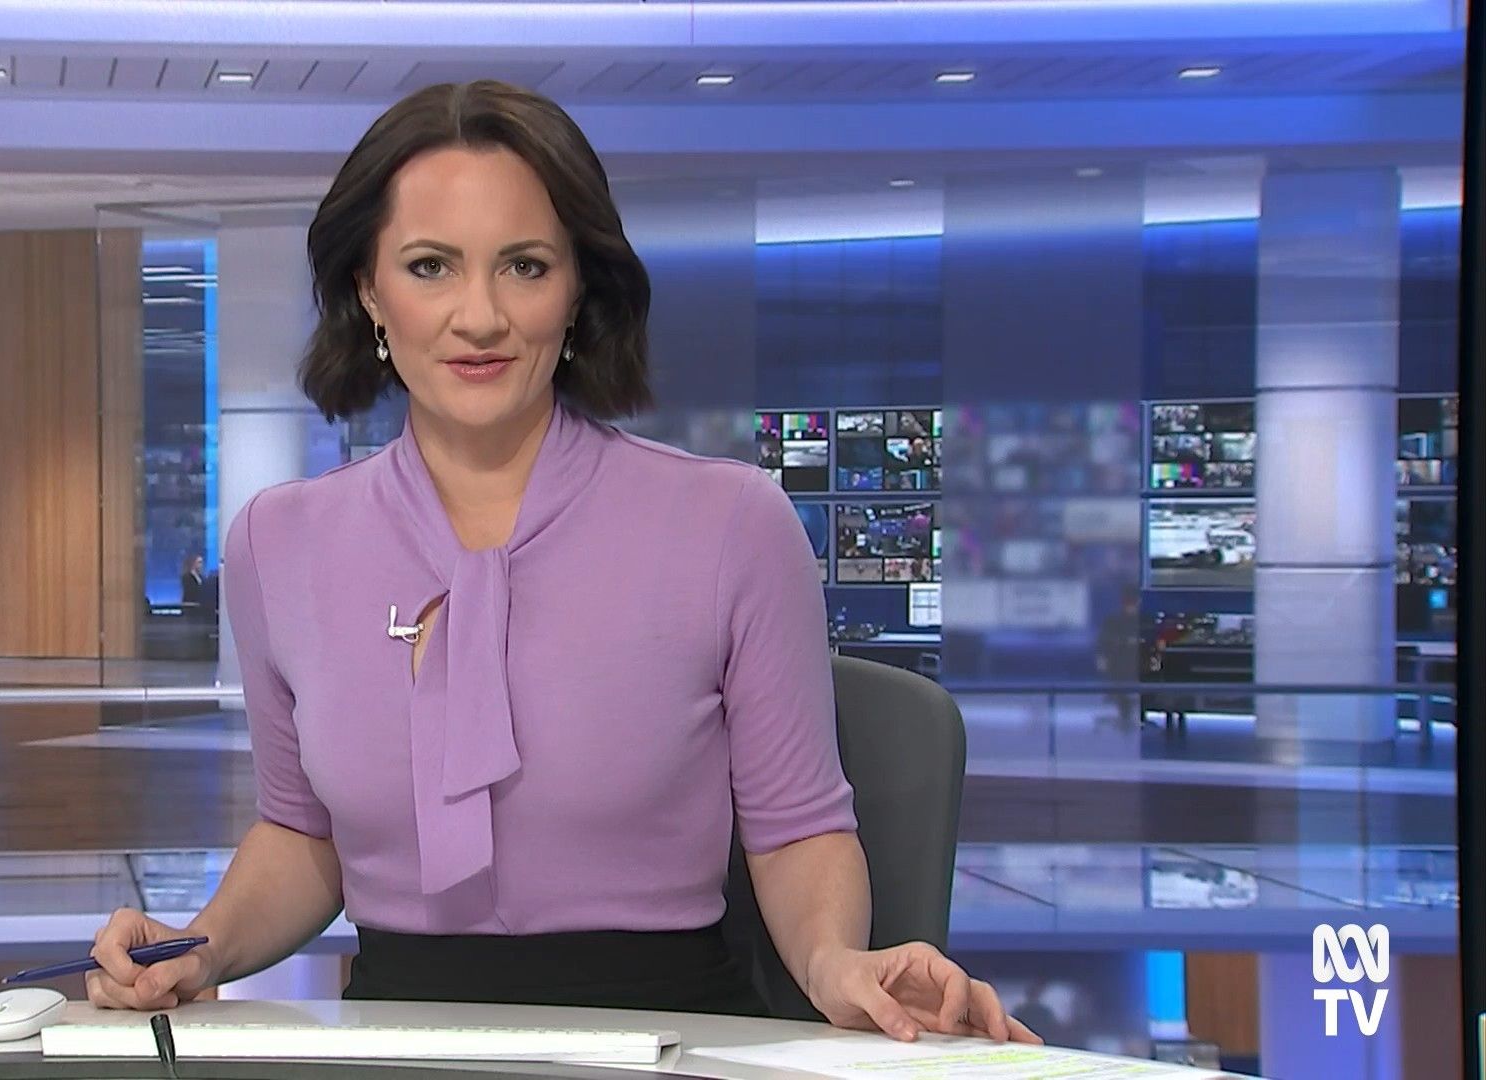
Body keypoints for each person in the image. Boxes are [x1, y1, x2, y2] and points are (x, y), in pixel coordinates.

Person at [86, 80, 1036, 1046]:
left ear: (579, 288)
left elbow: (797, 829)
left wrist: (837, 963)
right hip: (394, 1040)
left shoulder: (730, 523)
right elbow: (303, 836)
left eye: (525, 267)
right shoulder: (278, 543)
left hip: (673, 1041)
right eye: (430, 266)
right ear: (369, 290)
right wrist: (198, 949)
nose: (480, 316)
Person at [1095, 588, 1144, 731]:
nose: (1131, 607)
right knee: (1121, 685)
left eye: (1134, 604)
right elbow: (1103, 642)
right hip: (1118, 665)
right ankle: (1125, 713)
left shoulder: (1143, 622)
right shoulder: (1113, 622)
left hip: (1139, 664)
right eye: (1129, 604)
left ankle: (1134, 713)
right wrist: (1102, 658)